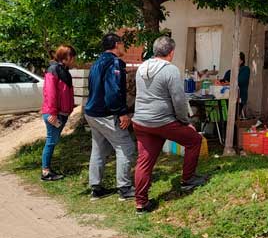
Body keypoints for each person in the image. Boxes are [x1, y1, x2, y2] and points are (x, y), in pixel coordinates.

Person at [132, 36, 208, 214]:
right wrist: (185, 122)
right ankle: (188, 179)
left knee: (144, 162)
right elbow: (179, 100)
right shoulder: (170, 70)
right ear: (171, 52)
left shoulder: (141, 68)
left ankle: (141, 203)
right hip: (162, 121)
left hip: (141, 121)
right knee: (194, 141)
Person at [85, 33, 136, 201]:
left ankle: (96, 188)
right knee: (125, 146)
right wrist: (121, 112)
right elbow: (113, 90)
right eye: (121, 43)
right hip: (106, 113)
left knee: (98, 148)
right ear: (116, 44)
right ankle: (124, 188)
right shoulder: (114, 62)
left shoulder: (97, 63)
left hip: (92, 112)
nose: (123, 47)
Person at [41, 45, 76, 181]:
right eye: (72, 57)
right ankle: (46, 172)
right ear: (66, 57)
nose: (73, 60)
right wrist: (53, 113)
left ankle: (47, 169)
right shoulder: (53, 69)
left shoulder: (63, 70)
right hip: (54, 113)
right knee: (50, 141)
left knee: (52, 141)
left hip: (61, 113)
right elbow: (50, 93)